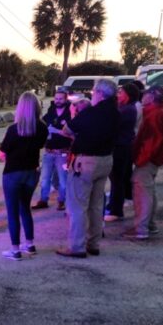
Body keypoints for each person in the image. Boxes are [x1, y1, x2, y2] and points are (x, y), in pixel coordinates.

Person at [56, 78, 120, 258]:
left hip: (85, 162)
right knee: (96, 205)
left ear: (100, 93)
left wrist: (74, 116)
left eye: (93, 91)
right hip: (106, 160)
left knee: (78, 205)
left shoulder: (91, 112)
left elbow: (67, 130)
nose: (92, 94)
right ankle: (94, 243)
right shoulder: (116, 113)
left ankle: (76, 246)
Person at [0, 92, 48, 260]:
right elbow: (41, 145)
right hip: (31, 172)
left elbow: (2, 152)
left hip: (13, 173)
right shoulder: (42, 128)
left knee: (12, 212)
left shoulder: (14, 129)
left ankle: (15, 250)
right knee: (25, 207)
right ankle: (30, 244)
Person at [124, 85, 163, 240]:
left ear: (151, 97)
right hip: (153, 160)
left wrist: (140, 160)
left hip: (148, 161)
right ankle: (149, 224)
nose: (142, 97)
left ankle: (141, 229)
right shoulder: (158, 113)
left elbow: (152, 141)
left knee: (142, 194)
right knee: (149, 192)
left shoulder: (154, 115)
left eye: (145, 94)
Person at [32, 88, 72, 211]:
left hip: (63, 152)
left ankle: (62, 201)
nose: (58, 101)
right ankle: (43, 200)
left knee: (63, 180)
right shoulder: (50, 112)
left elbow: (72, 135)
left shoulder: (70, 114)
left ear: (66, 99)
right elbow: (42, 126)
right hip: (49, 151)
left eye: (60, 99)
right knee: (45, 178)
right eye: (56, 98)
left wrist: (57, 131)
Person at [105, 82, 140, 222]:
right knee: (117, 178)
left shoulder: (127, 110)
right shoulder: (125, 108)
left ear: (128, 95)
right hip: (121, 146)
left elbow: (112, 124)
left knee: (117, 179)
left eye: (121, 93)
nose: (118, 95)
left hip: (121, 147)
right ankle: (113, 205)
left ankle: (116, 210)